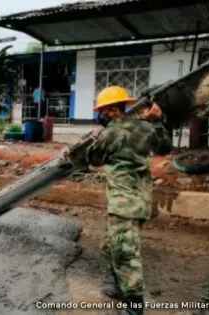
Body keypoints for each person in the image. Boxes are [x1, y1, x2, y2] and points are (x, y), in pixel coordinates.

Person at [80, 86, 172, 315]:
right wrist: (157, 122)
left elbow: (94, 158)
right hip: (139, 197)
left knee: (124, 252)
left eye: (103, 111)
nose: (101, 114)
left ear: (111, 110)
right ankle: (120, 287)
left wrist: (95, 138)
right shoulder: (146, 127)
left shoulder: (110, 133)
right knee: (110, 245)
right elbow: (165, 148)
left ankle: (134, 306)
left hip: (124, 203)